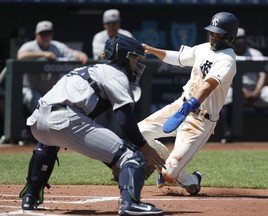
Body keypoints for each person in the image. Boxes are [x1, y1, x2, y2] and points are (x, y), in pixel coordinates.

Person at [19, 34, 165, 216]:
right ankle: (131, 204)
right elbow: (124, 120)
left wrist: (111, 160)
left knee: (47, 145)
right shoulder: (117, 74)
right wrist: (144, 148)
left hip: (38, 120)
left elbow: (88, 136)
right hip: (67, 119)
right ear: (124, 57)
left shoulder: (89, 69)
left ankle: (30, 196)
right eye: (134, 58)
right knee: (132, 156)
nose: (136, 64)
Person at [137, 12, 239, 194]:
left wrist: (191, 104)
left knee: (170, 175)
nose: (214, 36)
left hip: (200, 120)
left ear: (230, 37)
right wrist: (152, 50)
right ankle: (163, 163)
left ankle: (192, 180)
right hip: (181, 106)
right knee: (136, 134)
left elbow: (209, 85)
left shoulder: (227, 60)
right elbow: (177, 58)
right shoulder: (203, 48)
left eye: (219, 34)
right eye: (212, 32)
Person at [17, 20, 89, 143]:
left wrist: (81, 55)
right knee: (35, 100)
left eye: (48, 34)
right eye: (42, 34)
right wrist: (44, 54)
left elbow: (74, 53)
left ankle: (54, 137)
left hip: (50, 91)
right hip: (31, 89)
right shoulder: (29, 46)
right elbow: (20, 55)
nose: (46, 37)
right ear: (36, 35)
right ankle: (31, 135)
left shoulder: (57, 46)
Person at [220, 27, 268, 144]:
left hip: (256, 90)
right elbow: (227, 78)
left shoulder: (255, 53)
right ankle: (227, 134)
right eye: (236, 39)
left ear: (245, 40)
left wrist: (256, 91)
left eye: (241, 39)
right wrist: (243, 90)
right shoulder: (227, 55)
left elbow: (262, 75)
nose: (239, 41)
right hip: (236, 89)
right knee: (226, 98)